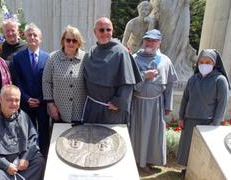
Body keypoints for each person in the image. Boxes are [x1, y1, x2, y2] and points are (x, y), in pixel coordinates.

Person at [0, 85, 45, 180]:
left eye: (17, 100)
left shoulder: (23, 115)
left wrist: (25, 157)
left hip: (20, 158)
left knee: (39, 162)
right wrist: (6, 165)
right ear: (0, 99)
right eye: (9, 100)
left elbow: (32, 139)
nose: (14, 103)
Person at [129, 29, 178, 172]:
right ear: (143, 41)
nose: (150, 43)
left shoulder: (165, 60)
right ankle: (138, 162)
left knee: (153, 134)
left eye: (154, 40)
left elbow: (169, 84)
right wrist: (145, 75)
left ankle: (149, 160)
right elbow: (129, 83)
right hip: (137, 104)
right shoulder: (134, 59)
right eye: (147, 39)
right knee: (139, 133)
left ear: (159, 43)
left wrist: (168, 105)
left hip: (156, 104)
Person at [177, 49, 229, 170]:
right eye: (201, 62)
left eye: (208, 62)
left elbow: (222, 103)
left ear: (214, 64)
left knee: (202, 148)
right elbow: (185, 99)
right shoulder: (193, 79)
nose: (204, 64)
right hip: (190, 119)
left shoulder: (220, 80)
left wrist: (215, 122)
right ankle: (186, 169)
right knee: (187, 146)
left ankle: (199, 171)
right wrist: (181, 117)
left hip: (207, 121)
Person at [83, 17, 141, 124]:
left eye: (108, 30)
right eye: (101, 30)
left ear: (112, 31)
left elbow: (128, 83)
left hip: (111, 109)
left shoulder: (121, 52)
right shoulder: (91, 52)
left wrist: (119, 103)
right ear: (95, 32)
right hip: (92, 108)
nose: (105, 33)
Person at [10, 23, 50, 156]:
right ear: (25, 37)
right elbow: (17, 81)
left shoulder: (48, 58)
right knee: (26, 132)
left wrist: (40, 99)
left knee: (44, 131)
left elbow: (49, 81)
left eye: (35, 35)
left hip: (42, 103)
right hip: (25, 103)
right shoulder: (18, 58)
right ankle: (29, 157)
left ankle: (44, 156)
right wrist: (26, 98)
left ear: (40, 38)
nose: (32, 37)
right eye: (29, 35)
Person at [42, 25, 86, 123]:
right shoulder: (53, 58)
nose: (71, 43)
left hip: (80, 112)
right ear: (63, 41)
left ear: (78, 43)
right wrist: (50, 105)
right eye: (68, 40)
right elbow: (46, 82)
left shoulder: (85, 58)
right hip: (59, 112)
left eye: (74, 40)